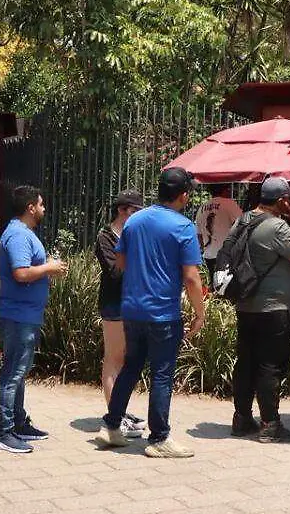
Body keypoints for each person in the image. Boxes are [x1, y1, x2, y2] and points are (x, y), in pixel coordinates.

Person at [97, 168, 206, 458]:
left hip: (132, 310)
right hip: (163, 314)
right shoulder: (182, 226)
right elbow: (191, 277)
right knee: (162, 374)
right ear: (184, 195)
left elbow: (121, 263)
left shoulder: (134, 221)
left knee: (131, 367)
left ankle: (111, 425)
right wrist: (199, 313)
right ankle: (159, 439)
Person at [228, 177, 290, 443]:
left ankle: (242, 418)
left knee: (246, 362)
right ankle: (270, 424)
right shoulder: (277, 227)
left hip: (246, 304)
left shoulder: (242, 220)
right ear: (282, 201)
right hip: (276, 307)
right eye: (289, 199)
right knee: (270, 366)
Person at [0, 185, 67, 454]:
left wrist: (46, 268)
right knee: (13, 373)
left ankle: (19, 422)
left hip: (25, 314)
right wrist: (49, 268)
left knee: (19, 372)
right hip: (18, 316)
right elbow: (21, 273)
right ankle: (5, 431)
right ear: (30, 207)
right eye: (41, 204)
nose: (44, 208)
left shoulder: (21, 233)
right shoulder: (19, 235)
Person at [93, 190, 147, 438]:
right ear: (122, 210)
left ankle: (120, 411)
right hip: (114, 303)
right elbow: (115, 272)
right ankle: (113, 416)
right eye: (135, 211)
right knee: (113, 359)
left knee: (126, 360)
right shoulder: (105, 237)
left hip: (133, 303)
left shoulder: (135, 234)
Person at [194, 184, 242, 270]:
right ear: (225, 190)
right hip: (227, 256)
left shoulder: (202, 208)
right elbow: (242, 227)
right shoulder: (230, 204)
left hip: (209, 256)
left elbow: (199, 235)